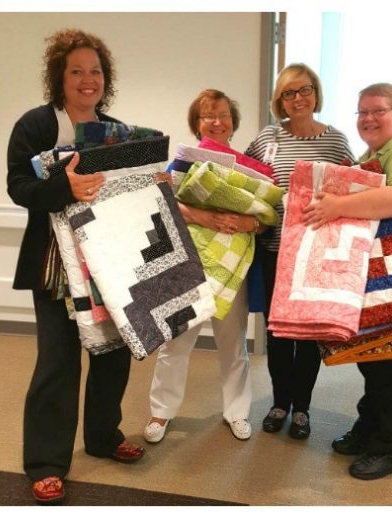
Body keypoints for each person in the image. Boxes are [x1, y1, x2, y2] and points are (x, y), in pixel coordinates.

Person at [6, 28, 144, 505]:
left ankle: (104, 437)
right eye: (77, 71)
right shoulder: (38, 125)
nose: (88, 80)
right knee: (58, 361)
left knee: (112, 354)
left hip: (108, 260)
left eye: (96, 71)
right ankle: (46, 463)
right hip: (55, 265)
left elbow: (132, 191)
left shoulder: (119, 132)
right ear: (59, 78)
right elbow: (19, 188)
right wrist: (67, 188)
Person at [302, 83, 392, 480]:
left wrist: (337, 206)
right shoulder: (375, 154)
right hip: (390, 286)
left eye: (378, 110)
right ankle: (370, 430)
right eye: (362, 111)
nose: (368, 118)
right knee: (381, 367)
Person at [244, 63, 354, 440]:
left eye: (304, 90)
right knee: (278, 333)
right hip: (275, 249)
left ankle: (302, 408)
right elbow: (245, 179)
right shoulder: (266, 139)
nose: (297, 99)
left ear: (316, 93)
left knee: (307, 334)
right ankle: (279, 402)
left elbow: (354, 189)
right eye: (288, 93)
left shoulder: (336, 141)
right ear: (279, 100)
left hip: (317, 256)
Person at [144, 89, 258, 444]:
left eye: (223, 114)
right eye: (208, 115)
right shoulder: (181, 163)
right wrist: (200, 215)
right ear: (197, 123)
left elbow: (266, 214)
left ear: (233, 122)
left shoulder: (248, 167)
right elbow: (159, 203)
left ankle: (237, 412)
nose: (217, 121)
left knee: (233, 344)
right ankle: (160, 414)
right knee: (175, 343)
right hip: (189, 265)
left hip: (232, 267)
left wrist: (248, 225)